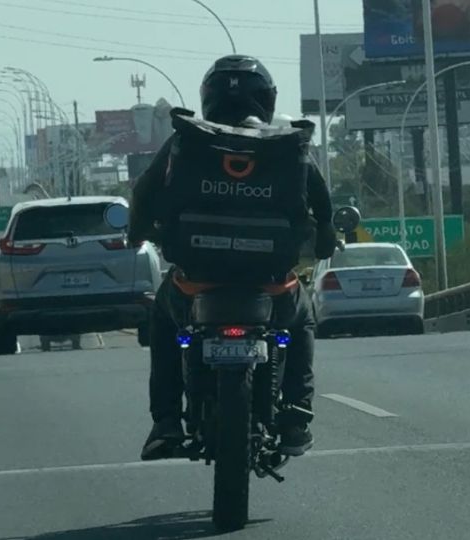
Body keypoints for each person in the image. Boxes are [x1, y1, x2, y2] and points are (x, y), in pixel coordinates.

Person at [129, 55, 337, 461]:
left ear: (208, 97)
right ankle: (296, 415)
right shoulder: (284, 144)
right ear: (268, 99)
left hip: (196, 280)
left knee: (164, 322)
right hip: (271, 283)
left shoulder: (187, 141)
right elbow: (322, 206)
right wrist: (324, 237)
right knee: (302, 319)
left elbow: (142, 194)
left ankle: (167, 421)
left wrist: (140, 232)